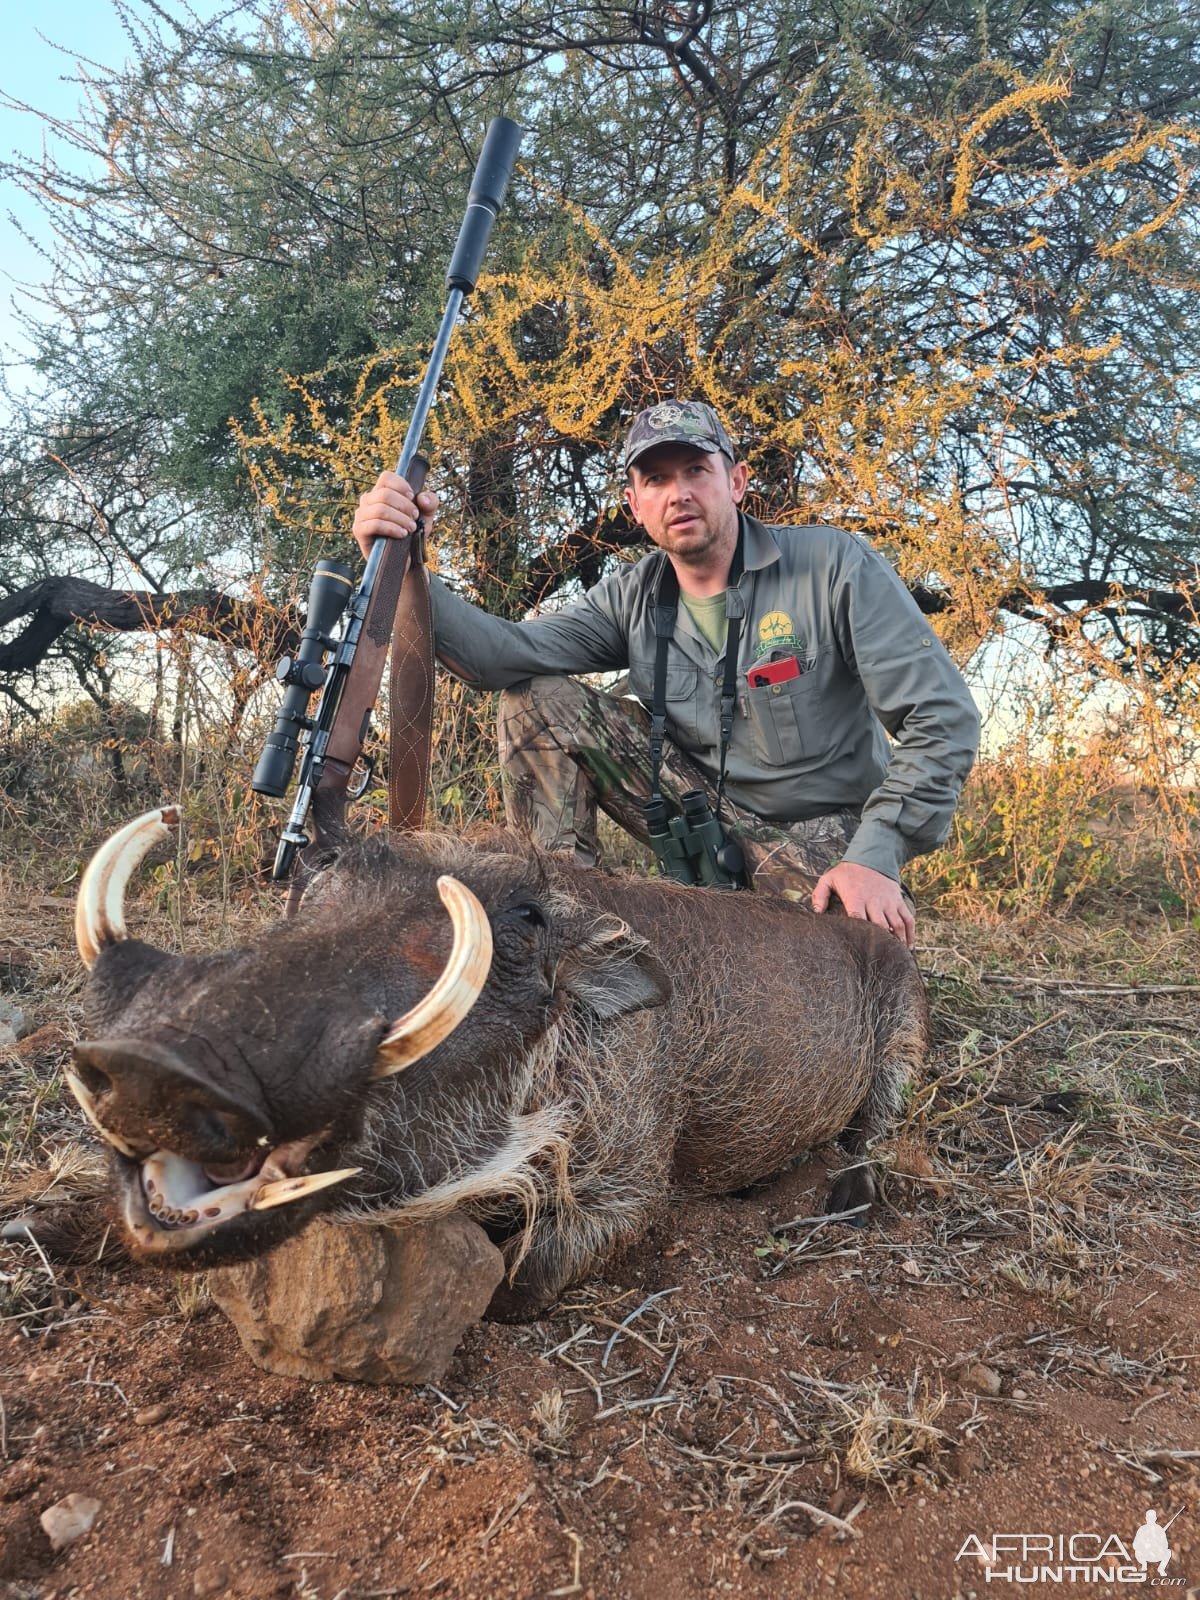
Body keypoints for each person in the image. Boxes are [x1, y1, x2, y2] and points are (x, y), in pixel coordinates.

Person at [352, 400, 981, 948]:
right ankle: (559, 922)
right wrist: (402, 568)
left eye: (696, 472)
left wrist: (876, 856)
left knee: (857, 965)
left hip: (824, 839)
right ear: (635, 504)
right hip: (699, 825)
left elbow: (942, 718)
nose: (678, 493)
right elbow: (503, 657)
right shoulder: (632, 595)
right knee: (534, 699)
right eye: (655, 479)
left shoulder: (835, 566)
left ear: (735, 481)